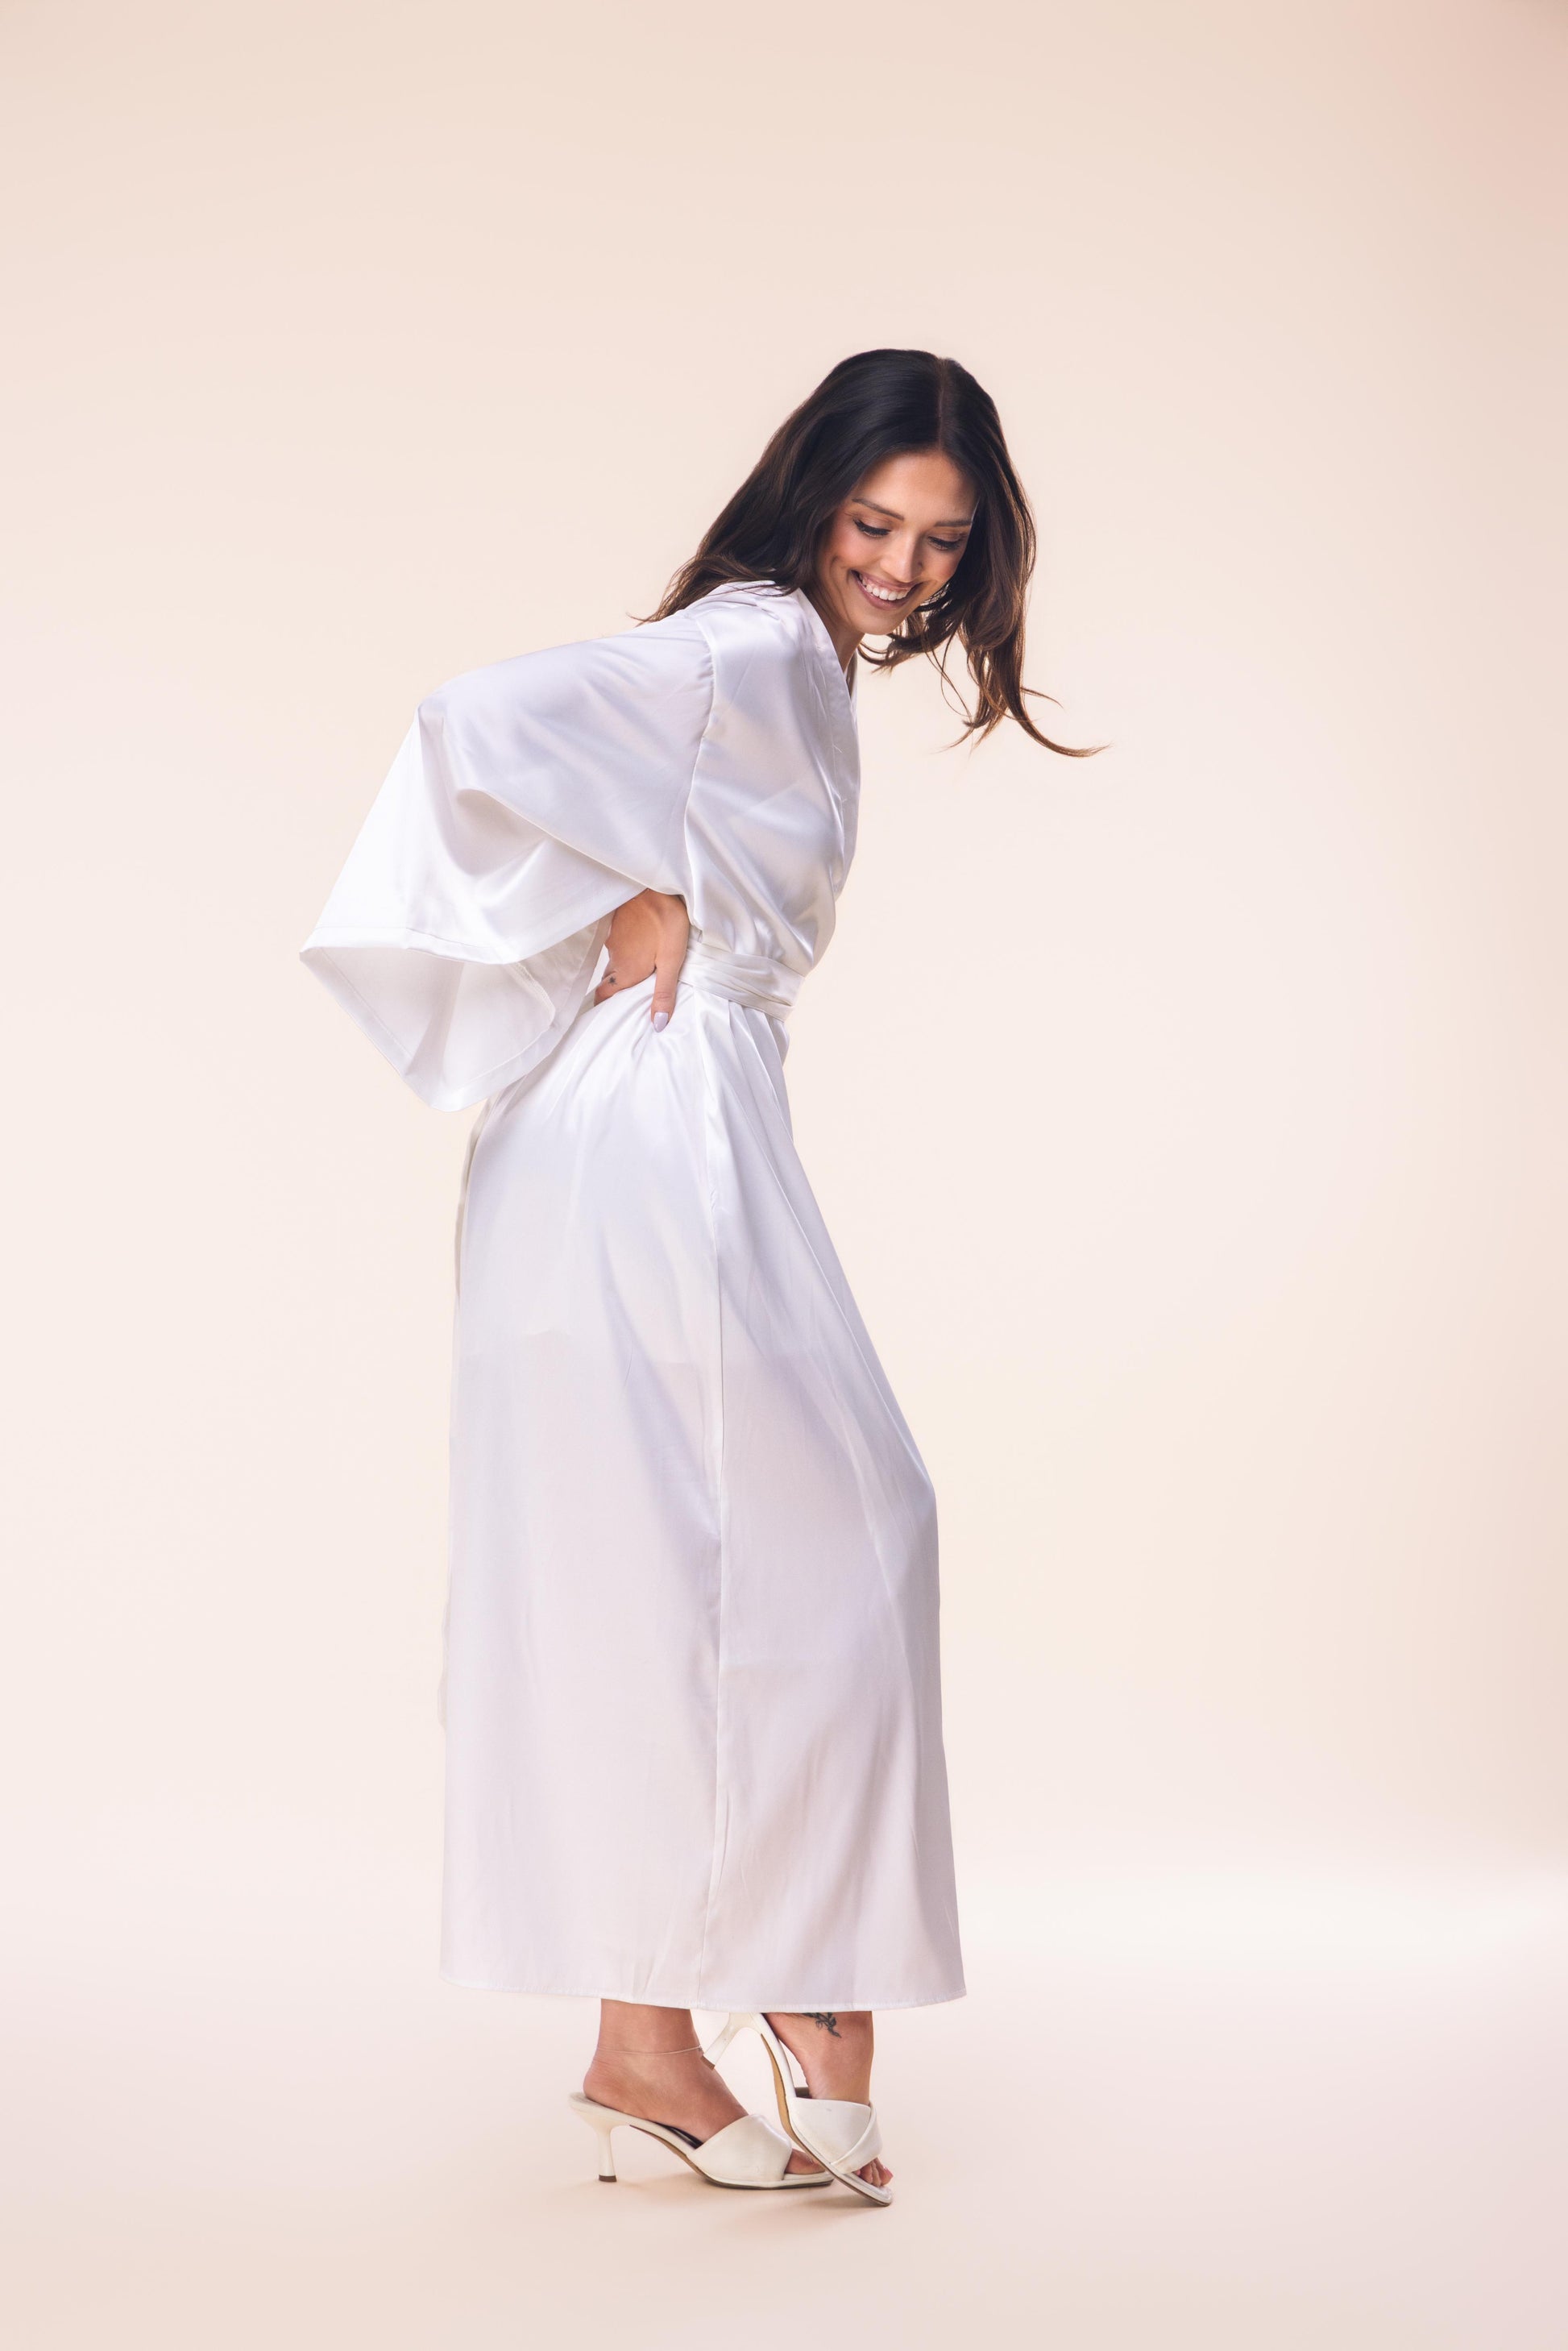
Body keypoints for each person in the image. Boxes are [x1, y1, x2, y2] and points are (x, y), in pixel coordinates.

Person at [303, 348, 1085, 2203]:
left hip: (674, 1118)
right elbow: (467, 715)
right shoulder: (741, 642)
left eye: (940, 541)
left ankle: (643, 2051)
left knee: (653, 1567)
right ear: (809, 498)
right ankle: (810, 1983)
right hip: (647, 1127)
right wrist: (599, 912)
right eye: (874, 521)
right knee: (841, 1517)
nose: (901, 566)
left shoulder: (795, 667)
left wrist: (637, 902)